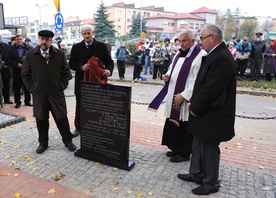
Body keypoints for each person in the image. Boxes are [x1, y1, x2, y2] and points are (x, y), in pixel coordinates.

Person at [177, 25, 236, 195]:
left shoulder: (222, 57)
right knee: (198, 143)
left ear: (212, 37)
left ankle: (210, 183)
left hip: (213, 113)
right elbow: (202, 84)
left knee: (209, 148)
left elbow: (212, 89)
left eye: (202, 38)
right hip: (203, 110)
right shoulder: (214, 54)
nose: (200, 42)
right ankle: (196, 173)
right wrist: (194, 102)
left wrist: (195, 106)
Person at [154, 30, 207, 163]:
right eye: (179, 41)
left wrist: (184, 95)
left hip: (186, 97)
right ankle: (176, 147)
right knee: (174, 124)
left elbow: (198, 80)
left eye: (184, 41)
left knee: (185, 125)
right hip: (173, 94)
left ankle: (184, 152)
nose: (181, 44)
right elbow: (172, 68)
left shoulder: (201, 56)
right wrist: (166, 76)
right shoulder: (178, 53)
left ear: (193, 41)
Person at [21, 30, 76, 154]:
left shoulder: (59, 55)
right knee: (41, 119)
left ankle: (68, 141)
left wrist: (61, 86)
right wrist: (33, 89)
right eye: (41, 39)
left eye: (47, 39)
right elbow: (25, 75)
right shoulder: (30, 54)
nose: (44, 41)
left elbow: (67, 74)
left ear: (51, 41)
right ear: (38, 39)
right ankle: (43, 143)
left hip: (56, 94)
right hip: (39, 95)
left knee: (61, 118)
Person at [69, 24, 114, 137]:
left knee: (97, 105)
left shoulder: (101, 46)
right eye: (84, 33)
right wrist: (80, 67)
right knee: (80, 105)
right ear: (82, 35)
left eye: (89, 33)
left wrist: (108, 70)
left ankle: (96, 127)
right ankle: (78, 128)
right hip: (81, 82)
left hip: (97, 81)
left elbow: (109, 61)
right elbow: (71, 63)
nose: (87, 35)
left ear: (93, 33)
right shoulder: (76, 47)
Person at [6, 34, 32, 108]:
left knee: (27, 87)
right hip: (16, 71)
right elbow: (8, 59)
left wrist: (26, 65)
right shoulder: (11, 49)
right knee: (17, 87)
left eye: (20, 39)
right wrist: (16, 64)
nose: (19, 41)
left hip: (27, 71)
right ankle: (17, 102)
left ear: (22, 39)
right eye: (17, 39)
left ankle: (27, 101)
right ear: (15, 41)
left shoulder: (29, 48)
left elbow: (33, 59)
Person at [0, 34, 13, 104]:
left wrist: (5, 63)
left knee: (6, 85)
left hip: (5, 69)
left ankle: (7, 99)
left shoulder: (6, 46)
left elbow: (9, 56)